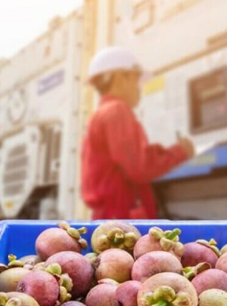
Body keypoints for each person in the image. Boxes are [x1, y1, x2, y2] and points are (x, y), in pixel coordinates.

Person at [81, 47, 195, 220]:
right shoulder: (117, 111)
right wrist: (180, 152)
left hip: (110, 217)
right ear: (119, 77)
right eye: (136, 80)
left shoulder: (99, 114)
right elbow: (139, 167)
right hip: (122, 220)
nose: (139, 88)